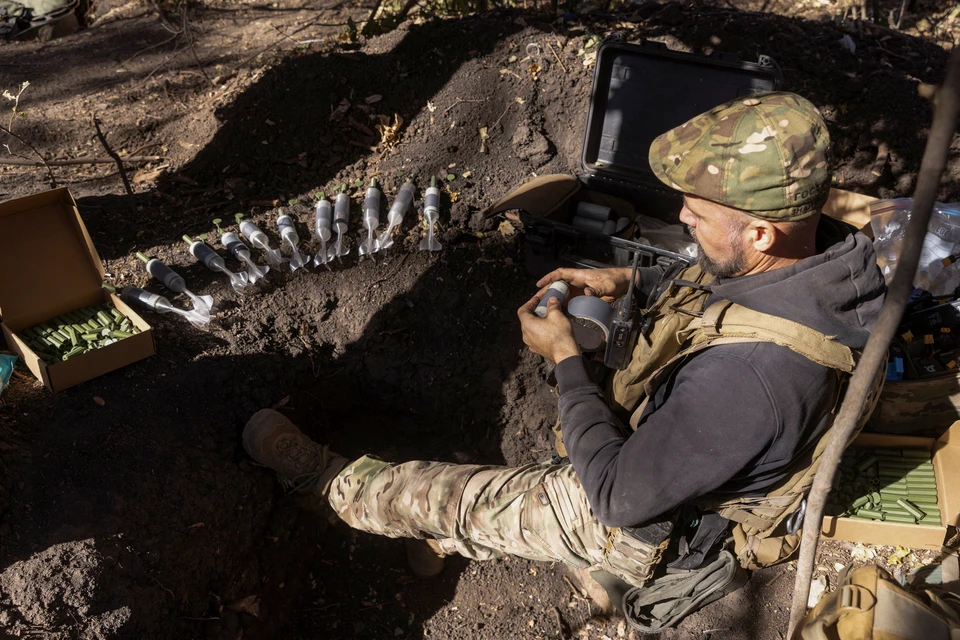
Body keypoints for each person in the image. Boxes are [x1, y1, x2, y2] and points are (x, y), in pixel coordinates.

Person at [242, 92, 885, 610]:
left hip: (650, 518)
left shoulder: (751, 380)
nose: (683, 220)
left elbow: (614, 496)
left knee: (448, 496)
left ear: (762, 228)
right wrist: (634, 280)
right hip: (689, 442)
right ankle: (451, 538)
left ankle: (323, 479)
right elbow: (735, 287)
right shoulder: (822, 252)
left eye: (697, 213)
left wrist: (565, 363)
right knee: (501, 502)